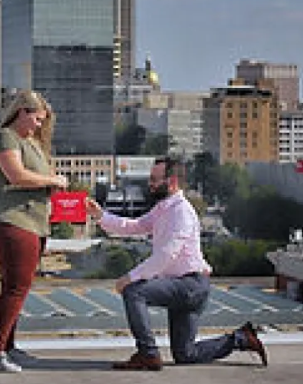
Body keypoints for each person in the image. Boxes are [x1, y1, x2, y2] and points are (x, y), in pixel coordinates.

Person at [84, 156, 267, 371]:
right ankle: (241, 339)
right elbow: (133, 226)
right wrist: (100, 216)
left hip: (190, 286)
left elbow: (166, 255)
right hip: (184, 286)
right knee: (185, 354)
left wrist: (130, 277)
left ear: (171, 182)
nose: (150, 183)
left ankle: (148, 354)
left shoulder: (181, 212)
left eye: (154, 179)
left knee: (134, 292)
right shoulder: (164, 208)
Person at [0, 89, 68, 373]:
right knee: (16, 287)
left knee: (16, 287)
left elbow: (36, 179)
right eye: (37, 119)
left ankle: (8, 347)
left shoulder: (32, 143)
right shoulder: (6, 137)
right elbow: (16, 175)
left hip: (32, 222)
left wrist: (52, 186)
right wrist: (51, 180)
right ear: (22, 112)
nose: (39, 125)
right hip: (12, 220)